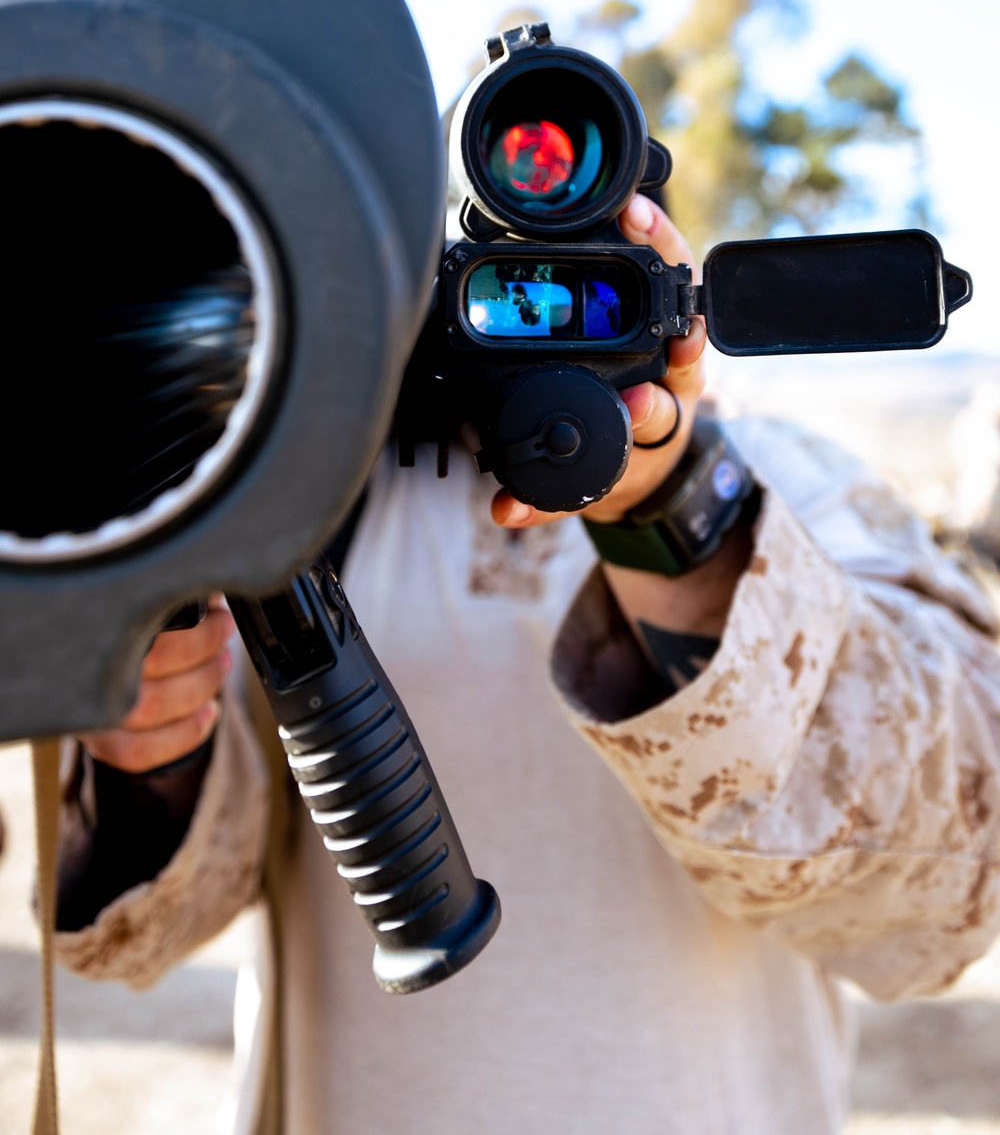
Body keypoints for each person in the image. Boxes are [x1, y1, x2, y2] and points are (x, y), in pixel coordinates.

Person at [53, 195, 1000, 1135]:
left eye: (592, 282)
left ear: (659, 276)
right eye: (505, 282)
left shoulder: (792, 482)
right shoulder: (310, 495)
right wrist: (149, 753)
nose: (542, 307)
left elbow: (950, 890)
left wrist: (670, 503)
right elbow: (144, 934)